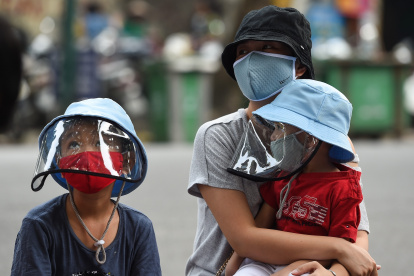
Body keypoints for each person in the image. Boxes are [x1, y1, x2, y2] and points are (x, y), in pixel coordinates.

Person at [186, 5, 378, 276]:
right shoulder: (218, 135)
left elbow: (355, 234)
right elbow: (245, 239)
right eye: (243, 51)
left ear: (298, 65)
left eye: (267, 46)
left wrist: (335, 272)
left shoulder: (331, 141)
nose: (252, 59)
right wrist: (338, 250)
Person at [226, 79, 364, 276]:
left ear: (311, 139)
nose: (273, 136)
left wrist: (294, 268)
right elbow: (261, 225)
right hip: (266, 260)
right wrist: (236, 260)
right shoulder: (285, 177)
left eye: (281, 128)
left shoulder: (343, 189)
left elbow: (342, 248)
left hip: (310, 266)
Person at [11, 98, 161, 275]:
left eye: (101, 143)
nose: (86, 154)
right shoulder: (39, 226)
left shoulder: (139, 229)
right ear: (60, 162)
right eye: (74, 144)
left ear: (127, 161)